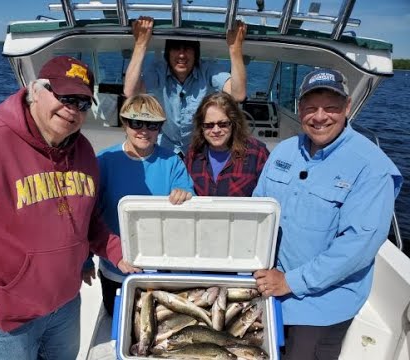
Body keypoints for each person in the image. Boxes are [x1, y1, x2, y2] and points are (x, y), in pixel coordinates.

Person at [0, 55, 139, 360]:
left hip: (66, 305)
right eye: (65, 96)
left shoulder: (82, 151)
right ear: (35, 90)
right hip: (6, 319)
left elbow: (88, 217)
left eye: (82, 103)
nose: (72, 109)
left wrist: (118, 252)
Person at [252, 69, 403, 360]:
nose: (319, 116)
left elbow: (357, 247)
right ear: (299, 109)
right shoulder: (284, 151)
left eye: (331, 107)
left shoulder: (372, 167)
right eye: (310, 107)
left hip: (321, 305)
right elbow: (259, 208)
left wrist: (290, 282)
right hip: (271, 286)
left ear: (347, 107)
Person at [82, 94, 194, 316]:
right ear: (125, 124)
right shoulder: (104, 161)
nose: (144, 130)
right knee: (117, 319)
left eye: (152, 125)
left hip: (160, 268)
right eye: (136, 123)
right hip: (115, 268)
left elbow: (188, 197)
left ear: (160, 128)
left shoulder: (172, 161)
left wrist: (185, 194)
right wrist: (85, 261)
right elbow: (87, 215)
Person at [124, 16, 247, 156]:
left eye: (188, 48)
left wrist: (235, 48)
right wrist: (140, 44)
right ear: (168, 53)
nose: (182, 55)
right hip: (165, 144)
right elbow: (130, 92)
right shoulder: (158, 70)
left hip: (201, 147)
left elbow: (238, 94)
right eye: (176, 48)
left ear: (196, 54)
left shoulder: (207, 70)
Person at [185, 92, 269, 196]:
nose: (216, 130)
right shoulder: (193, 154)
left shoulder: (257, 153)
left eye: (223, 124)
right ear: (201, 127)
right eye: (209, 125)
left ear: (234, 123)